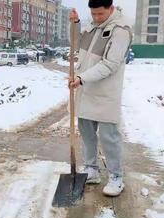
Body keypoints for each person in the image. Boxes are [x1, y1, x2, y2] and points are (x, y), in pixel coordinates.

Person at [69, 0, 133, 197]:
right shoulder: (92, 26)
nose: (97, 18)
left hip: (105, 93)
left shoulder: (121, 29)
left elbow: (110, 64)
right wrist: (76, 23)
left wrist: (82, 78)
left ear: (111, 9)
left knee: (109, 137)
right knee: (86, 133)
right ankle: (92, 169)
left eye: (100, 14)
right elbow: (76, 44)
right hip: (85, 89)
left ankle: (116, 176)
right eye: (93, 14)